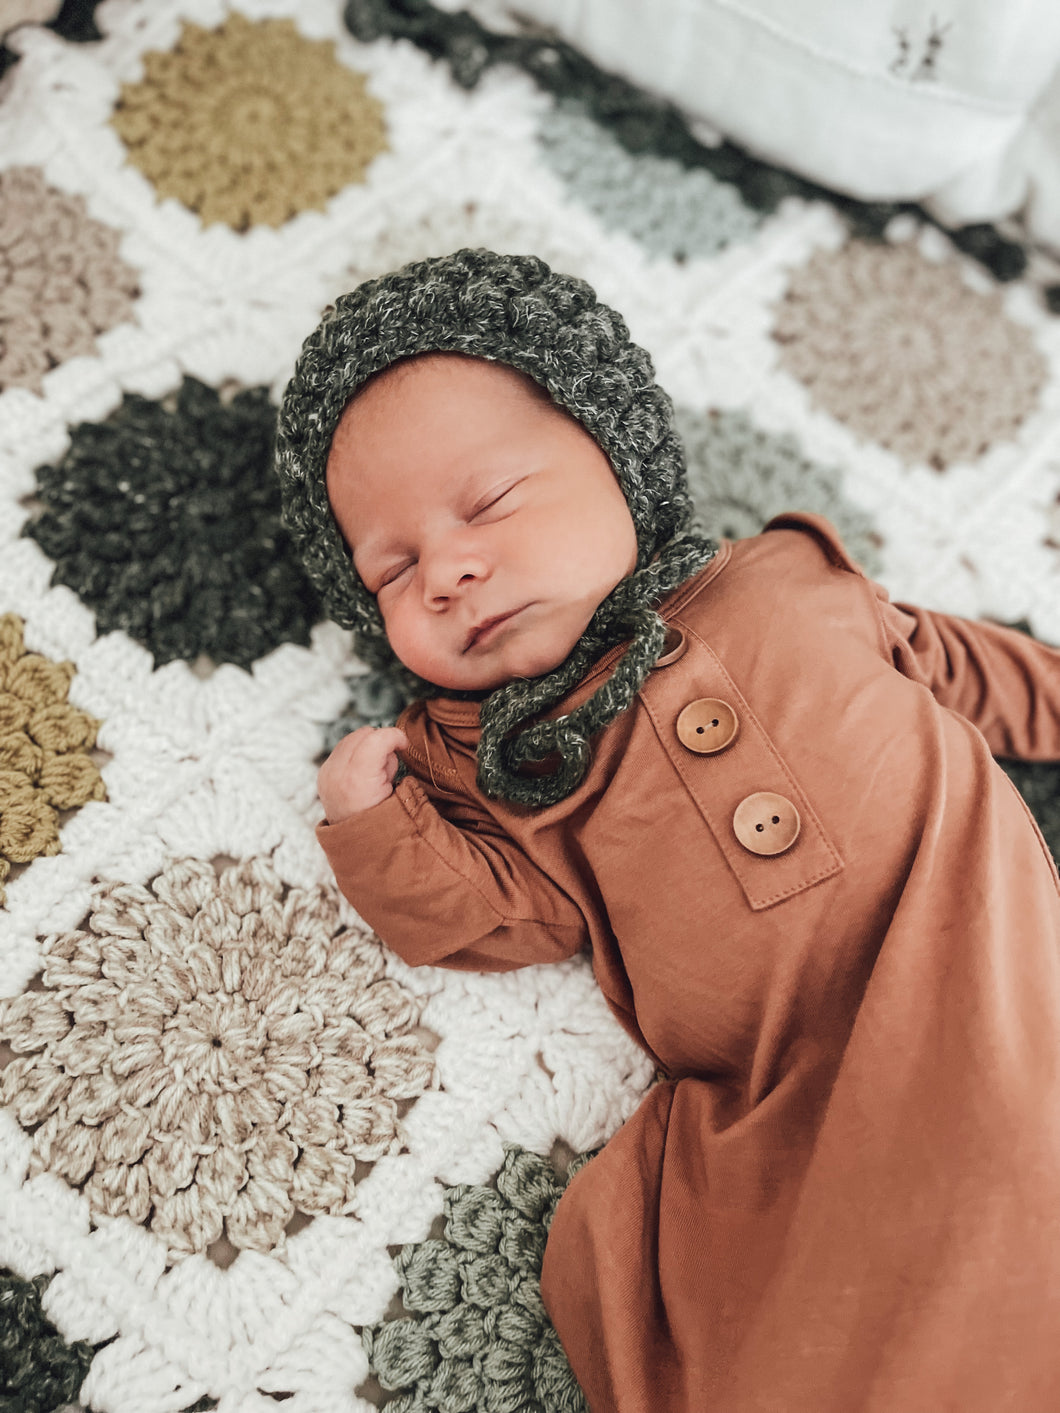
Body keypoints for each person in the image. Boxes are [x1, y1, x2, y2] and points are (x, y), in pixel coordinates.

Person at [276, 249, 1060, 1412]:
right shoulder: (503, 759)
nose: (448, 569)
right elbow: (503, 915)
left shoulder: (784, 583)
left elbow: (959, 667)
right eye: (391, 571)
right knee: (770, 1303)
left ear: (619, 459)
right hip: (776, 1091)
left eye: (486, 503)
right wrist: (376, 823)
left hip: (978, 960)